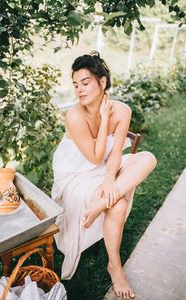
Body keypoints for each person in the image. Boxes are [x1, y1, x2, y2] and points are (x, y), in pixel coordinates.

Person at [51, 51, 157, 299]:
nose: (79, 90)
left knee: (148, 158)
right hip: (75, 177)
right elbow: (96, 158)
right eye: (75, 85)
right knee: (117, 206)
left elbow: (115, 156)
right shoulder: (74, 116)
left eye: (85, 83)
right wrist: (102, 117)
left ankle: (100, 204)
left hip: (103, 170)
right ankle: (115, 267)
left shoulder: (122, 111)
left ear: (103, 82)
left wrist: (109, 181)